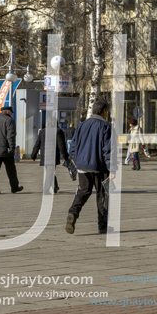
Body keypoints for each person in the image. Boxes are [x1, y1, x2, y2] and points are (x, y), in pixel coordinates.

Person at [66, 98, 115, 234]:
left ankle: (73, 213)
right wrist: (112, 169)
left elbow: (73, 146)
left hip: (82, 165)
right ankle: (102, 225)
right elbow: (108, 150)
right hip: (100, 166)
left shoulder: (82, 125)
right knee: (102, 194)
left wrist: (76, 160)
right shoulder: (106, 127)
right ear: (104, 111)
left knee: (83, 191)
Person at [0, 106, 23, 195]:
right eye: (11, 112)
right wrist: (12, 148)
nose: (12, 114)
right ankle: (14, 187)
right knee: (11, 170)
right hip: (6, 150)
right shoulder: (9, 120)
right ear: (8, 112)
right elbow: (11, 135)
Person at [30, 121, 71, 193]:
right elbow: (61, 145)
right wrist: (65, 156)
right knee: (50, 172)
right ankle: (46, 190)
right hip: (52, 155)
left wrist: (33, 154)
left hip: (44, 155)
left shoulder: (42, 131)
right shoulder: (58, 131)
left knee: (50, 171)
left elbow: (37, 143)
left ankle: (55, 187)